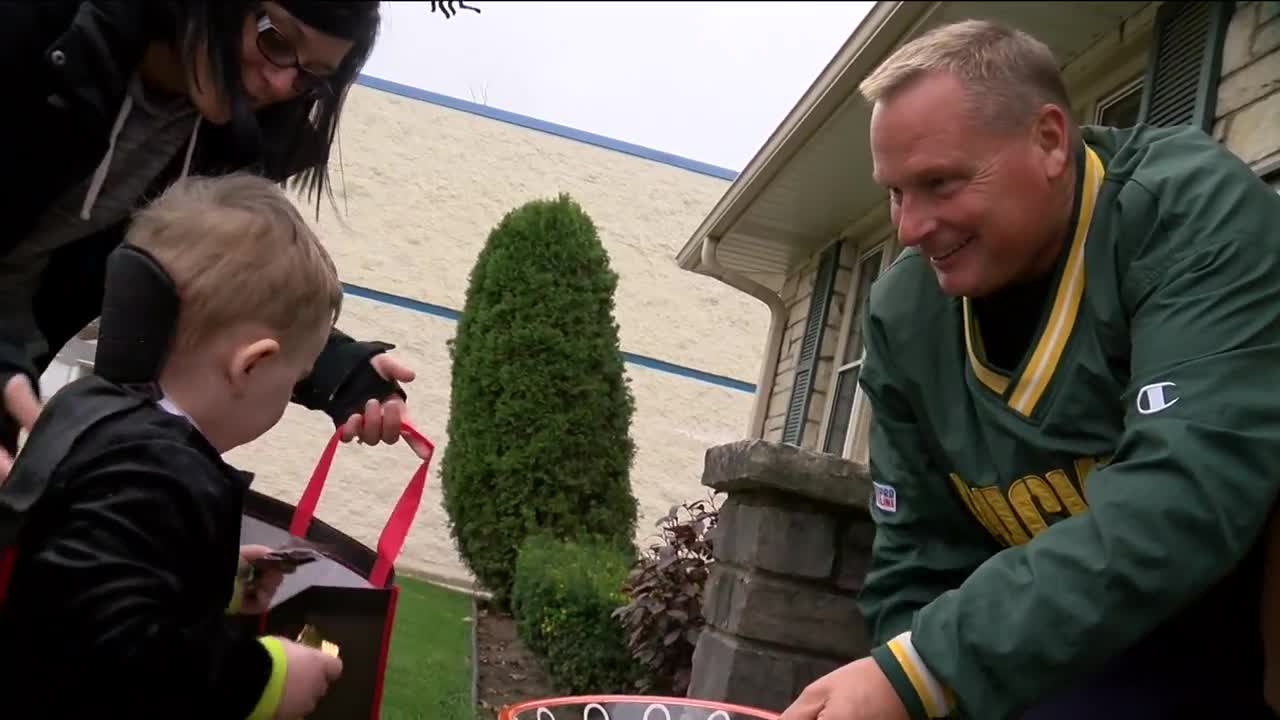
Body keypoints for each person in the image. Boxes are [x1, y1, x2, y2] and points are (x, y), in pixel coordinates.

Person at [780, 18, 1280, 720]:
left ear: (1049, 140)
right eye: (895, 192)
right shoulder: (905, 313)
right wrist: (917, 686)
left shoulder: (1189, 213)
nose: (909, 227)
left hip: (1222, 638)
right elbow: (915, 560)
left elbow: (1185, 497)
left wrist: (923, 669)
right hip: (1041, 644)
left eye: (940, 182)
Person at [0, 0, 419, 480]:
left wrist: (337, 368)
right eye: (276, 40)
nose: (282, 83)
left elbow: (221, 288)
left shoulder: (224, 146)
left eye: (311, 76)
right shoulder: (34, 30)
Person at [0, 173, 351, 718]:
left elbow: (81, 564)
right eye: (292, 378)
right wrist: (264, 678)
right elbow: (113, 649)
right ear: (252, 364)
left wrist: (213, 577)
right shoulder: (158, 471)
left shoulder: (88, 410)